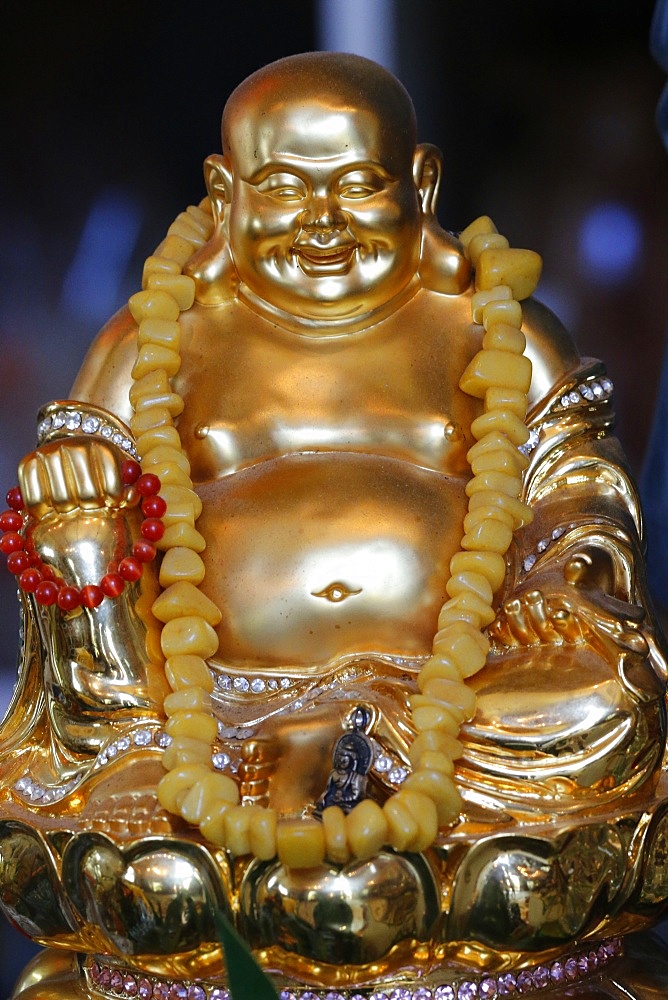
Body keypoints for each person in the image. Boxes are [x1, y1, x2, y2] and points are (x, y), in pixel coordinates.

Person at [2, 52, 667, 1000]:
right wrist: (78, 526)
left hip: (452, 707)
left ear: (422, 183)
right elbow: (82, 526)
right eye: (284, 189)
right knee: (116, 770)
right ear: (223, 192)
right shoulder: (158, 340)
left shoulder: (495, 327)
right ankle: (293, 792)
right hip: (216, 717)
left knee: (611, 705)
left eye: (359, 186)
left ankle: (355, 767)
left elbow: (577, 488)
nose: (322, 224)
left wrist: (564, 582)